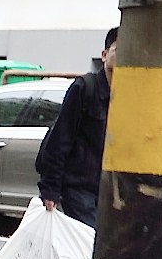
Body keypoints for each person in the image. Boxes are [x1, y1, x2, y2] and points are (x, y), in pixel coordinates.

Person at [34, 26, 117, 228]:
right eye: (118, 49)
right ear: (104, 55)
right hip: (79, 188)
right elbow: (61, 138)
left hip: (108, 189)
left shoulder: (128, 95)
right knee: (89, 240)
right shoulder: (85, 88)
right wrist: (50, 189)